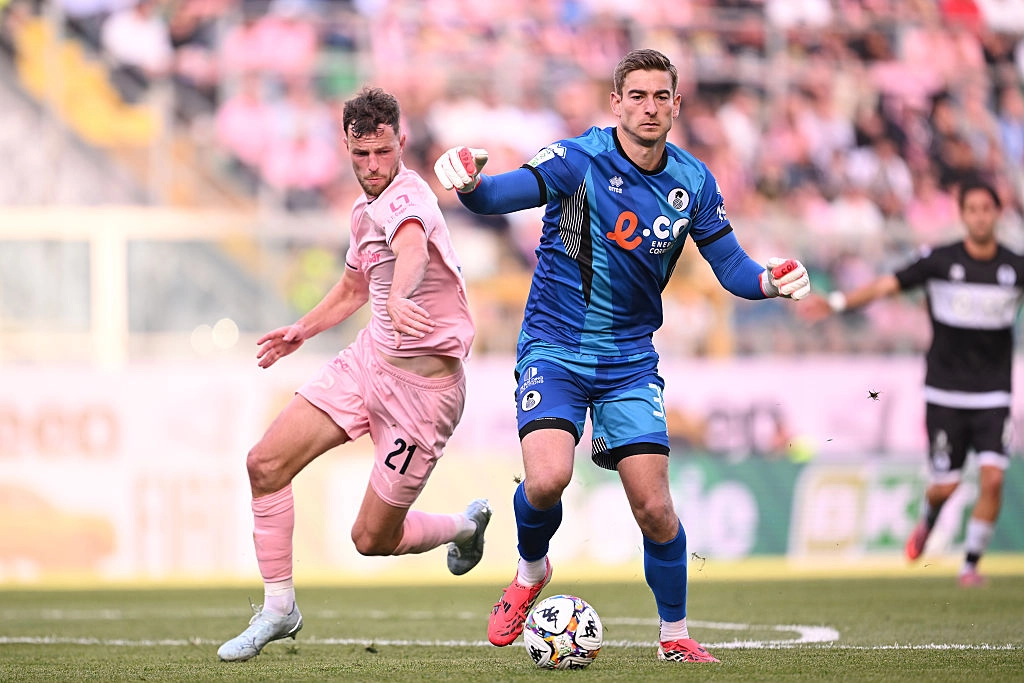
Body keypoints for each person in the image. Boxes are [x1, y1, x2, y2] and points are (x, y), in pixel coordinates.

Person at [433, 48, 811, 664]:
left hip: (629, 361)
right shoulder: (578, 159)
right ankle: (531, 572)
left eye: (661, 96)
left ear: (677, 105)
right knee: (548, 479)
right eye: (637, 96)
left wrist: (770, 281)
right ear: (616, 103)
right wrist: (470, 183)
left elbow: (732, 266)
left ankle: (674, 636)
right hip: (555, 347)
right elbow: (496, 196)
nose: (649, 107)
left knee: (656, 508)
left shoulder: (694, 182)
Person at [218, 87, 491, 662]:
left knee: (371, 539)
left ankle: (464, 527)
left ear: (401, 142)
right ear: (346, 146)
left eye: (383, 152)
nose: (372, 166)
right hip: (368, 364)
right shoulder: (362, 210)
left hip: (424, 397)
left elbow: (412, 251)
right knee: (264, 464)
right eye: (361, 154)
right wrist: (302, 330)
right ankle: (278, 608)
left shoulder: (409, 197)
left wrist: (401, 297)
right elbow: (353, 286)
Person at [804, 178, 1020, 588]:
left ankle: (970, 566)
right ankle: (928, 519)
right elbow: (886, 285)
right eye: (972, 209)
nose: (979, 217)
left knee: (993, 478)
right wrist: (837, 302)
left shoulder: (1015, 267)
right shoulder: (940, 261)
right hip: (945, 392)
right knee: (946, 486)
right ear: (963, 215)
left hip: (994, 394)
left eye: (986, 209)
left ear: (997, 214)